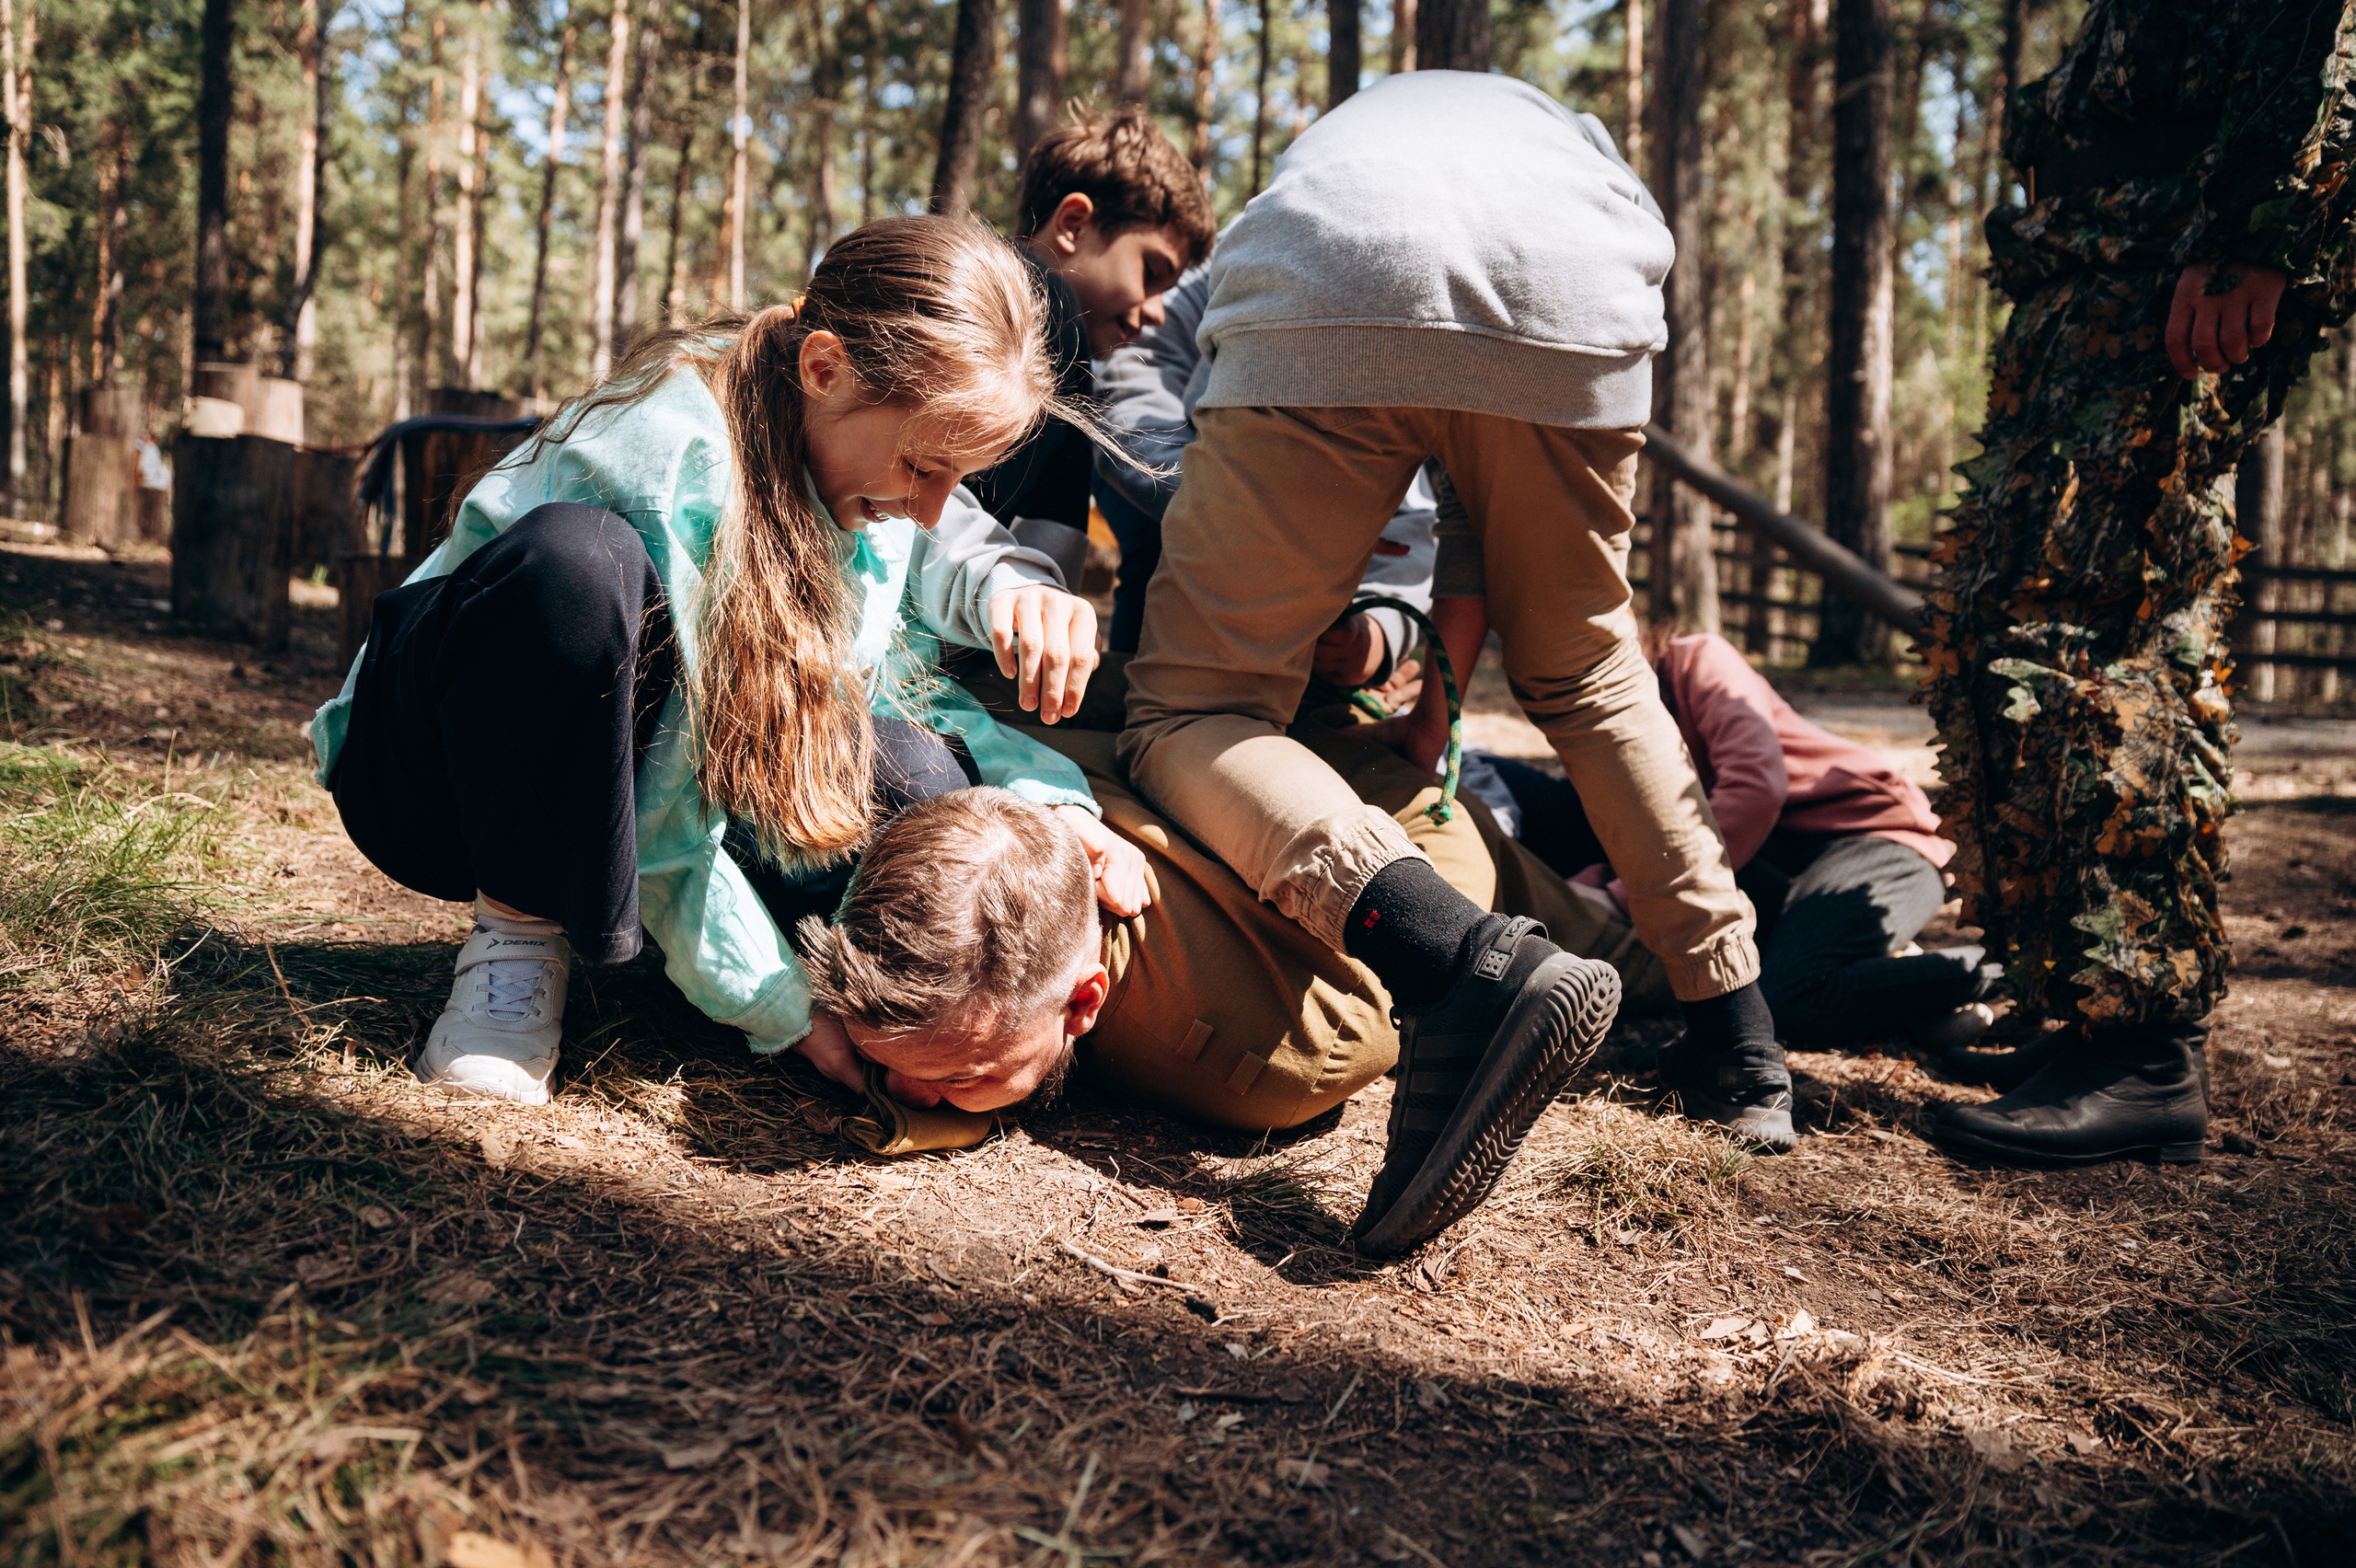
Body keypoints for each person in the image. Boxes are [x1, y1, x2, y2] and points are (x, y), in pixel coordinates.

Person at [1115, 71, 1773, 1252]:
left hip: (1337, 273)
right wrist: (1442, 707)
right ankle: (1740, 1042)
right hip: (1573, 287)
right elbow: (1478, 514)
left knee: (1195, 704)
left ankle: (1450, 969)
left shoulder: (1353, 149)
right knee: (1585, 671)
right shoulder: (1552, 139)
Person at [310, 218, 1147, 1107]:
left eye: (958, 480)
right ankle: (518, 936)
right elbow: (667, 814)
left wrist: (1046, 798)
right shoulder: (670, 455)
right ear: (824, 371)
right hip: (442, 783)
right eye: (924, 467)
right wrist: (784, 1009)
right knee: (577, 569)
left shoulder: (854, 476)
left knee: (912, 774)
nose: (936, 510)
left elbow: (900, 690)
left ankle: (662, 940)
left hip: (631, 805)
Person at [1917, 0, 2356, 1166]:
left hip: (2176, 259)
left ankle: (2144, 1048)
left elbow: (2319, 32)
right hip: (2099, 254)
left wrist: (2255, 232)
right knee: (2011, 631)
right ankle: (2079, 1007)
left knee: (2104, 636)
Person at [1444, 630, 2000, 1056]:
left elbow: (1757, 789)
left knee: (1788, 996)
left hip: (1875, 838)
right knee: (1793, 973)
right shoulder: (1598, 727)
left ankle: (1996, 968)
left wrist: (1621, 895)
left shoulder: (1695, 658)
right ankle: (1909, 988)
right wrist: (1589, 886)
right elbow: (1626, 828)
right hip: (1779, 863)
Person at [1094, 261, 1438, 669]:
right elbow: (1133, 397)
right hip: (1184, 489)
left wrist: (1378, 632)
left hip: (1318, 584)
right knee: (1161, 550)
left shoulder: (1395, 315)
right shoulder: (1210, 277)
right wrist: (1236, 505)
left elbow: (1414, 524)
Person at [963, 104, 1216, 549]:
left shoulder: (1071, 367)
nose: (1158, 311)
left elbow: (1054, 532)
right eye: (1152, 273)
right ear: (1074, 224)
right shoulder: (1045, 301)